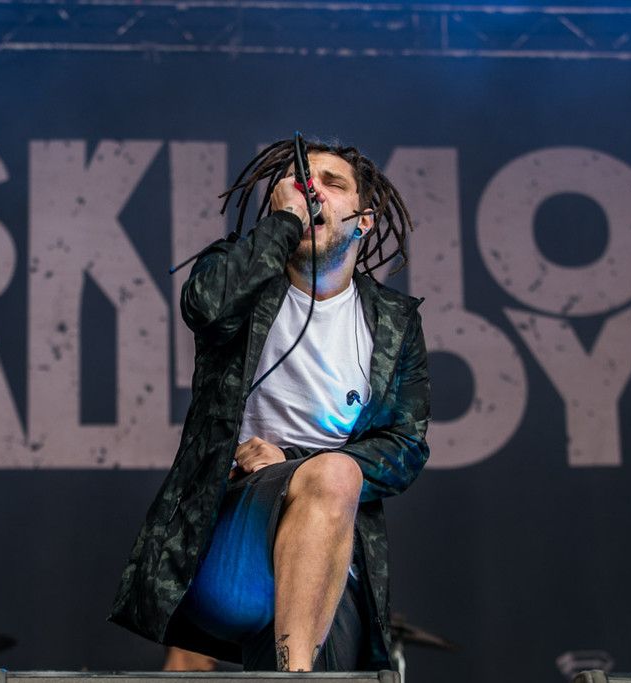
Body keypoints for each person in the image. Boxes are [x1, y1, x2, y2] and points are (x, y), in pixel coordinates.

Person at [109, 138, 430, 672]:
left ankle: (289, 665)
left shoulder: (394, 321)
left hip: (326, 545)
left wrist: (295, 460)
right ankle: (294, 675)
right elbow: (205, 308)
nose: (313, 190)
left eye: (332, 184)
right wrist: (283, 223)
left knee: (333, 479)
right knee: (335, 475)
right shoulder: (239, 277)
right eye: (302, 182)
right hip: (232, 528)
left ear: (364, 221)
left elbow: (405, 446)